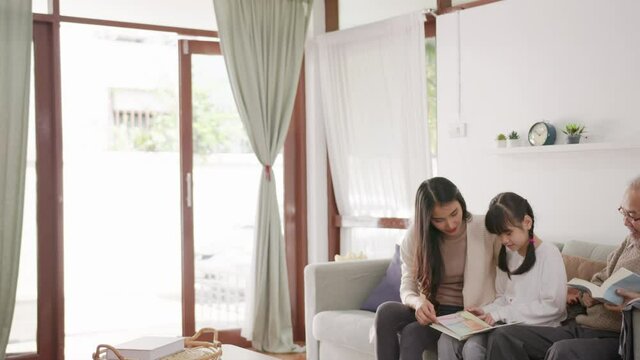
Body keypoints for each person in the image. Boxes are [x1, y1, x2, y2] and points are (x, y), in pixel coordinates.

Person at [486, 176, 640, 360]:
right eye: (624, 212)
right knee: (503, 337)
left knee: (562, 351)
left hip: (619, 337)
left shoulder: (547, 253)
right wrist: (589, 294)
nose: (625, 222)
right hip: (584, 326)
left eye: (632, 215)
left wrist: (636, 303)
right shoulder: (629, 242)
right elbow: (601, 278)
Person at [374, 177, 499, 360]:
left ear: (461, 204)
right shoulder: (416, 237)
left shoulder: (485, 228)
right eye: (439, 220)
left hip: (467, 315)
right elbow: (407, 284)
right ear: (426, 219)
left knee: (412, 334)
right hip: (435, 312)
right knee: (386, 312)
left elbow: (521, 239)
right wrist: (418, 303)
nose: (450, 224)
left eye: (454, 213)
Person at [437, 192, 567, 360]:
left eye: (508, 233)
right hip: (507, 324)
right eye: (499, 234)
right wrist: (484, 311)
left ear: (527, 222)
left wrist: (501, 315)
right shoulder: (508, 254)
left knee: (473, 347)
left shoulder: (549, 253)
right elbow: (504, 298)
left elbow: (553, 307)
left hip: (537, 330)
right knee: (446, 339)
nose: (504, 240)